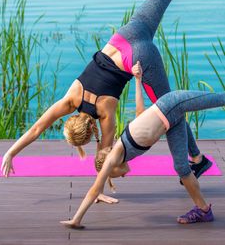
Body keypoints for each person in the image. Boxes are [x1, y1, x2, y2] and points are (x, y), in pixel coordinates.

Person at [1, 0, 220, 203]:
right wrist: (10, 152)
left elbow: (105, 160)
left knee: (171, 112)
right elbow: (36, 127)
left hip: (140, 59)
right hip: (128, 33)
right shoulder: (70, 98)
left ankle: (196, 159)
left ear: (87, 133)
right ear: (72, 120)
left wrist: (100, 191)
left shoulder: (105, 115)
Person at [60, 62, 225, 228]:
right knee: (181, 168)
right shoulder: (125, 149)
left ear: (111, 164)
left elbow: (94, 190)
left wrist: (77, 219)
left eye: (114, 174)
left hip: (174, 103)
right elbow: (140, 113)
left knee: (221, 99)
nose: (121, 176)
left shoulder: (115, 154)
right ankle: (204, 211)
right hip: (172, 122)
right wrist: (138, 80)